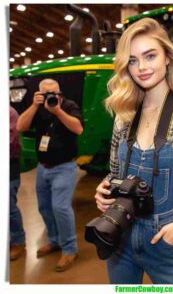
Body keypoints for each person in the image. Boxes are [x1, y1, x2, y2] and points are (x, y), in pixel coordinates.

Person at [94, 18, 173, 284]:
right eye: (133, 60)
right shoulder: (123, 116)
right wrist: (104, 191)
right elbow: (114, 174)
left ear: (167, 58)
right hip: (120, 237)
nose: (142, 67)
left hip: (167, 241)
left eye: (150, 56)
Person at [16, 78, 83, 272]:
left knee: (60, 208)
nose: (51, 96)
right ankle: (54, 241)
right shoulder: (38, 108)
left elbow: (78, 128)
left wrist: (57, 111)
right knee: (45, 208)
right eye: (46, 93)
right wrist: (34, 106)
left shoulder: (69, 106)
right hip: (43, 168)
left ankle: (70, 249)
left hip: (64, 167)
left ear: (60, 92)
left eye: (54, 93)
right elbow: (21, 126)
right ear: (39, 93)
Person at [10, 106, 26, 261]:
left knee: (8, 207)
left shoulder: (9, 113)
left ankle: (18, 242)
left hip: (9, 169)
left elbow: (9, 142)